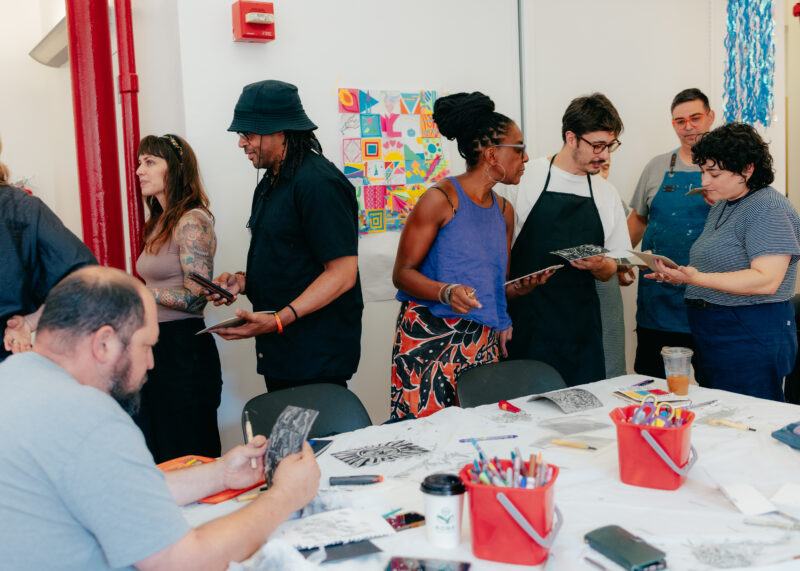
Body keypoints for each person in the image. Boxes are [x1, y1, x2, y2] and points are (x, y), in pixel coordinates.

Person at [0, 267, 320, 570]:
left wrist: (222, 474)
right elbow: (180, 562)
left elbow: (116, 489)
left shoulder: (14, 378)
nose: (151, 362)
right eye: (147, 346)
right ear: (104, 343)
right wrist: (286, 496)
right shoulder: (89, 415)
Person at [390, 92, 552, 420]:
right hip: (429, 341)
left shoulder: (504, 211)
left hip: (479, 343)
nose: (526, 157)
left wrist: (518, 290)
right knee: (426, 441)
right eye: (518, 148)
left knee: (480, 436)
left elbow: (492, 285)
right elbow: (402, 273)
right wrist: (445, 291)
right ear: (492, 155)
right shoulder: (441, 200)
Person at [210, 80, 363, 392]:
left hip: (314, 357)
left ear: (280, 132)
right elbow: (290, 263)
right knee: (289, 442)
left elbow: (343, 274)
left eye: (248, 134)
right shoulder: (270, 183)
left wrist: (280, 319)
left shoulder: (318, 184)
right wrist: (242, 281)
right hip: (283, 353)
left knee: (314, 443)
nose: (242, 143)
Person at [648, 123, 800, 401]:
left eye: (714, 173)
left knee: (750, 419)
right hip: (714, 331)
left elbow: (766, 280)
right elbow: (718, 264)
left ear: (747, 169)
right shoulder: (723, 204)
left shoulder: (769, 208)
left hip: (749, 333)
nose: (705, 181)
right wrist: (680, 276)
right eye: (703, 171)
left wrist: (695, 278)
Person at [505, 93, 632, 386]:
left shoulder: (605, 193)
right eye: (597, 146)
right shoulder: (526, 177)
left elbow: (617, 264)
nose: (605, 156)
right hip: (527, 324)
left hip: (581, 331)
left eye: (610, 146)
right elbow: (499, 253)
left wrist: (602, 266)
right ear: (571, 138)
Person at [133, 134, 223, 462]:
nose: (139, 170)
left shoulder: (192, 221)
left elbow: (196, 298)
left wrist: (141, 292)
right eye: (140, 162)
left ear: (176, 169)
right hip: (158, 346)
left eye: (150, 162)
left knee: (188, 451)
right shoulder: (158, 222)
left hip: (184, 351)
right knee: (161, 451)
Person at [627, 88, 715, 378]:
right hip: (658, 300)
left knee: (718, 387)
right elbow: (638, 219)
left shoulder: (727, 171)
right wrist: (618, 262)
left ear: (710, 117)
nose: (688, 127)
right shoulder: (656, 167)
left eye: (695, 118)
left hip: (711, 299)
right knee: (651, 388)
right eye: (680, 121)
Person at [1, 136, 96, 362]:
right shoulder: (24, 209)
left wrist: (30, 322)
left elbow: (85, 277)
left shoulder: (24, 210)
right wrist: (29, 322)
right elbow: (86, 276)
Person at [595, 157, 636, 378]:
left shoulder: (612, 198)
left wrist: (623, 267)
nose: (600, 172)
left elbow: (621, 251)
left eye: (606, 167)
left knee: (610, 359)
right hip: (571, 290)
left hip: (606, 289)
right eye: (596, 165)